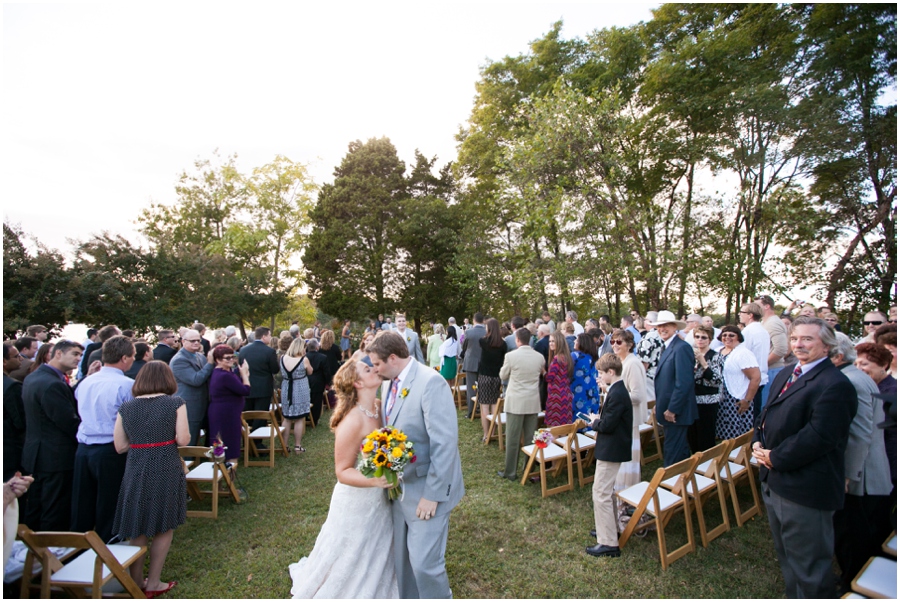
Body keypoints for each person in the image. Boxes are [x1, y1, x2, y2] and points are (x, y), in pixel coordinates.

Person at [752, 316, 857, 599]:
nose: (799, 344)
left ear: (827, 347)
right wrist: (757, 444)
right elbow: (765, 415)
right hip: (774, 479)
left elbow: (820, 437)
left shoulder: (835, 385)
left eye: (808, 339)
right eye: (796, 338)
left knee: (810, 566)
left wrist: (775, 457)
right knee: (788, 557)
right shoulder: (788, 372)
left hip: (805, 488)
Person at [367, 331, 465, 598]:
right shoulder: (388, 382)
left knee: (424, 564)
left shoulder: (431, 382)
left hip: (427, 489)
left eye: (376, 363)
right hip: (400, 488)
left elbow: (445, 444)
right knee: (404, 562)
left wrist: (432, 496)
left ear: (393, 358)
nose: (374, 369)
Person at [288, 358, 397, 598]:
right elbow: (342, 471)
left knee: (376, 543)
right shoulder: (352, 420)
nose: (375, 369)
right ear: (358, 383)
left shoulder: (380, 405)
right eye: (368, 369)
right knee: (351, 548)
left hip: (380, 495)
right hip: (357, 497)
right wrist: (374, 481)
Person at [112, 361, 189, 599]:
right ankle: (153, 581)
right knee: (164, 524)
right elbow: (184, 439)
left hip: (136, 466)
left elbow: (120, 446)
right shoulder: (175, 403)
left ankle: (136, 581)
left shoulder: (127, 407)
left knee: (138, 524)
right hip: (166, 463)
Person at [830, 333, 893, 593]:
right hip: (872, 468)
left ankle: (852, 580)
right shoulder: (865, 381)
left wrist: (847, 473)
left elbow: (861, 435)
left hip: (867, 471)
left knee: (853, 531)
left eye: (866, 364)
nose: (861, 368)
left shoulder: (857, 383)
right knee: (866, 527)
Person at [71, 335, 135, 543]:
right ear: (124, 358)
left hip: (84, 449)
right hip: (110, 449)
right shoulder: (126, 385)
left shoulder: (86, 382)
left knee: (84, 503)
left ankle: (80, 547)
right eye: (133, 356)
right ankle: (110, 551)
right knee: (110, 505)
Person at [21, 341, 84, 531]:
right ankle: (49, 553)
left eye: (80, 355)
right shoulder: (51, 384)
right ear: (57, 354)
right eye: (74, 354)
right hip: (55, 455)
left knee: (37, 505)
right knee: (54, 509)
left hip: (37, 452)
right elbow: (67, 420)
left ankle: (31, 551)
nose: (78, 359)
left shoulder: (35, 377)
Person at [585, 353, 632, 559]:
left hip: (611, 449)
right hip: (614, 447)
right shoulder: (617, 389)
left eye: (601, 373)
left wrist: (595, 421)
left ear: (611, 372)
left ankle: (608, 542)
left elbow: (607, 425)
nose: (600, 376)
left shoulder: (618, 394)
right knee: (606, 491)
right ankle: (609, 529)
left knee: (601, 493)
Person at [498, 328, 545, 481]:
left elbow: (503, 375)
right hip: (532, 401)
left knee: (512, 438)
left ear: (517, 340)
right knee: (531, 437)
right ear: (530, 340)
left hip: (516, 401)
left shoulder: (510, 356)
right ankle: (529, 468)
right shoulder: (539, 357)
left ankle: (510, 471)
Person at [651, 311, 697, 466]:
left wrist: (673, 409)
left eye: (666, 326)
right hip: (668, 409)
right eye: (659, 326)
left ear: (674, 327)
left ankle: (671, 486)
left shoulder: (681, 348)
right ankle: (683, 482)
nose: (662, 329)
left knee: (672, 453)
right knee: (679, 450)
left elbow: (684, 382)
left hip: (677, 412)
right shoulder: (669, 346)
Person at [608, 329, 649, 492]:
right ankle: (619, 488)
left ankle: (627, 491)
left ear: (630, 345)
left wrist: (613, 393)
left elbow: (637, 395)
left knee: (627, 461)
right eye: (612, 342)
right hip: (621, 417)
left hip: (629, 419)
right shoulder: (621, 362)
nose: (615, 345)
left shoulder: (632, 363)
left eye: (619, 342)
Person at [855, 342, 897, 486]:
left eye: (864, 364)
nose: (859, 369)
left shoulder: (892, 392)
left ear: (884, 365)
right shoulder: (865, 389)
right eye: (855, 364)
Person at [714, 325, 761, 440]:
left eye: (731, 335)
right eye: (724, 335)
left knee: (736, 434)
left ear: (738, 337)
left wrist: (747, 400)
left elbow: (756, 378)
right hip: (720, 397)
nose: (727, 337)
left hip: (736, 398)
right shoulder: (717, 351)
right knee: (721, 431)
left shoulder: (743, 353)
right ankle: (723, 455)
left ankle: (736, 456)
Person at [207, 345, 251, 468]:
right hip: (226, 415)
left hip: (225, 412)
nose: (231, 360)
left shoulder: (224, 372)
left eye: (233, 357)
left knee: (220, 446)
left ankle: (222, 481)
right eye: (227, 358)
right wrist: (245, 375)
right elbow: (245, 390)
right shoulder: (224, 375)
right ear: (218, 360)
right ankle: (227, 482)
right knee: (228, 447)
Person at [169, 329, 214, 445]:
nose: (196, 343)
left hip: (203, 402)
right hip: (189, 405)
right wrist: (210, 363)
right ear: (183, 341)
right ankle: (188, 462)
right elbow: (196, 380)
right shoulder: (179, 360)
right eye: (192, 341)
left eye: (198, 341)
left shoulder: (199, 356)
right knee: (190, 440)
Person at [688, 325, 723, 453]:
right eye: (697, 337)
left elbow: (716, 381)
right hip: (692, 400)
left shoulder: (715, 356)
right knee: (692, 436)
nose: (700, 340)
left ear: (710, 339)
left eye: (704, 337)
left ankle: (708, 466)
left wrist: (703, 363)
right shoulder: (690, 354)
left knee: (706, 436)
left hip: (708, 401)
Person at [239, 327, 279, 435]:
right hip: (263, 387)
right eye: (269, 335)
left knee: (248, 414)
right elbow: (275, 369)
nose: (270, 338)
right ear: (264, 336)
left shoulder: (243, 350)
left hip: (248, 386)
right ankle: (257, 441)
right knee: (261, 415)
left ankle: (248, 438)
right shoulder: (269, 351)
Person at [477, 318, 509, 441]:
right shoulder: (503, 344)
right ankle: (494, 432)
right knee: (495, 406)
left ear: (488, 328)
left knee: (484, 406)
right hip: (497, 377)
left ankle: (486, 435)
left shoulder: (483, 341)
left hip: (484, 376)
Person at [738, 302, 770, 419]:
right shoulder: (763, 330)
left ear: (750, 315)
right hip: (760, 376)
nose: (739, 314)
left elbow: (742, 355)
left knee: (748, 414)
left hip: (750, 378)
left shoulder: (748, 331)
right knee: (756, 410)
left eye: (742, 312)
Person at [281, 338, 313, 453]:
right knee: (299, 418)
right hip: (300, 389)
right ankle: (297, 446)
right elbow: (310, 372)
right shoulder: (304, 360)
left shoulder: (282, 358)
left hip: (286, 388)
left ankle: (284, 446)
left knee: (287, 418)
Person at [3, 343, 26, 481]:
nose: (21, 359)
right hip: (10, 452)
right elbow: (20, 422)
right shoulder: (11, 387)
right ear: (4, 361)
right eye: (17, 356)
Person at [544, 331, 573, 427]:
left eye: (553, 341)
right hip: (566, 394)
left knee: (554, 428)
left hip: (556, 396)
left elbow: (549, 378)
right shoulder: (567, 357)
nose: (551, 343)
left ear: (559, 342)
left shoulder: (557, 359)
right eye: (550, 341)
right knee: (564, 427)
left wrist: (543, 371)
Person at [571, 333, 600, 419]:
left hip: (578, 394)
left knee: (578, 421)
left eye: (576, 340)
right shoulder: (594, 358)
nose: (574, 341)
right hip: (593, 395)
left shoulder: (574, 356)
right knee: (589, 420)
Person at [304, 339, 331, 427]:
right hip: (318, 381)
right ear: (317, 347)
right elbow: (326, 371)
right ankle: (314, 419)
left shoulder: (304, 356)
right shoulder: (323, 357)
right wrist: (328, 382)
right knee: (317, 401)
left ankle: (306, 417)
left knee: (307, 399)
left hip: (306, 379)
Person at [438, 325, 460, 389]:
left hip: (447, 361)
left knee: (446, 380)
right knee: (452, 379)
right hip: (453, 361)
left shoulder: (447, 342)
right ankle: (452, 394)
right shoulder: (455, 341)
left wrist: (443, 342)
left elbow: (442, 352)